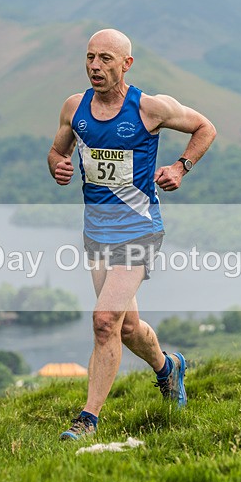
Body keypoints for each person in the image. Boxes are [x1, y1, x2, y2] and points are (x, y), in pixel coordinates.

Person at [47, 28, 216, 440]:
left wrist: (180, 167)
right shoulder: (74, 107)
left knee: (104, 321)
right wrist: (57, 166)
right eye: (90, 57)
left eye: (105, 59)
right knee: (126, 328)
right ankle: (168, 368)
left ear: (126, 64)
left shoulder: (150, 108)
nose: (95, 66)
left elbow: (204, 128)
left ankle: (87, 420)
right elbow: (57, 152)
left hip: (140, 230)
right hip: (97, 233)